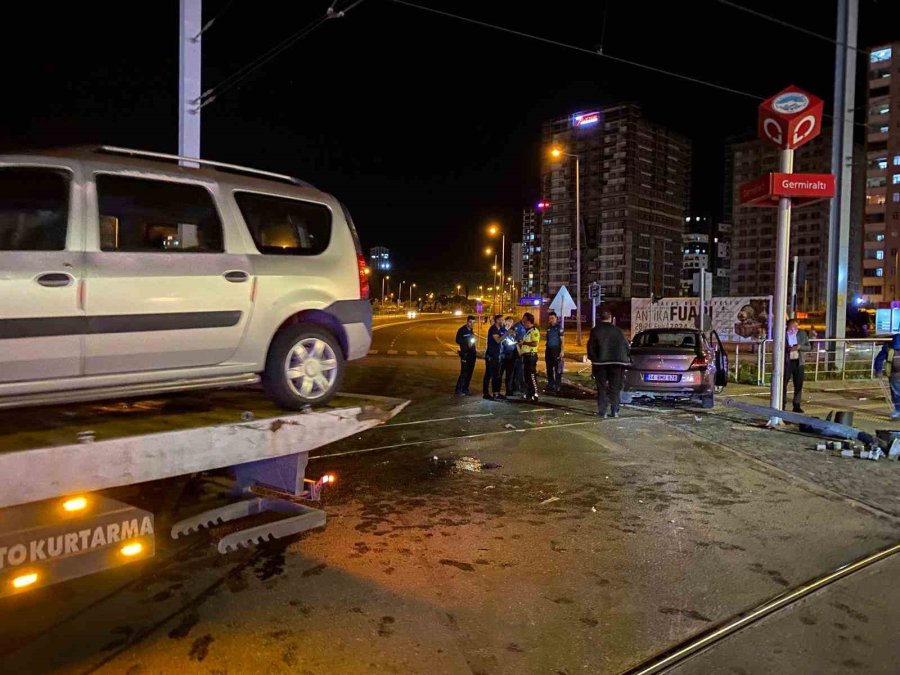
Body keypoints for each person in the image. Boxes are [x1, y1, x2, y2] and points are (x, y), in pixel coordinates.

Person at [587, 309, 630, 418]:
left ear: (600, 318)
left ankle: (603, 412)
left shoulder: (595, 331)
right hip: (616, 363)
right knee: (614, 388)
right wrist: (625, 358)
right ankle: (615, 410)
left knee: (601, 388)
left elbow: (591, 347)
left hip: (600, 364)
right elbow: (626, 346)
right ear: (611, 318)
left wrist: (593, 359)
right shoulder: (618, 331)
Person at [783, 318, 811, 413]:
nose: (795, 328)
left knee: (798, 384)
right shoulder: (783, 334)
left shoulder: (802, 334)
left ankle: (797, 405)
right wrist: (787, 349)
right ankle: (782, 403)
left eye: (796, 326)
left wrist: (800, 347)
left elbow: (808, 347)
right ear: (788, 326)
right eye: (793, 326)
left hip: (799, 362)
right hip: (787, 362)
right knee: (783, 384)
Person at [874, 333, 900, 419]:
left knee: (896, 393)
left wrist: (878, 371)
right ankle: (898, 410)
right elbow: (879, 360)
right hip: (894, 374)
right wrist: (878, 370)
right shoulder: (888, 348)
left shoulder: (888, 348)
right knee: (896, 393)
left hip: (894, 374)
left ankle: (898, 411)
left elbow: (879, 359)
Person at [517, 312, 540, 402]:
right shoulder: (527, 331)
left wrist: (524, 343)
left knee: (531, 375)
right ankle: (529, 394)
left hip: (531, 356)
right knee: (526, 376)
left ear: (528, 321)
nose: (522, 321)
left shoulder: (534, 331)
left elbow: (535, 343)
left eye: (524, 319)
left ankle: (535, 394)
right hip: (526, 356)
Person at [483, 314, 505, 400]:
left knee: (497, 375)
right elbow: (498, 340)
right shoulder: (493, 329)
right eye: (502, 320)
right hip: (491, 356)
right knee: (489, 375)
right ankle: (486, 393)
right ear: (497, 321)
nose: (503, 321)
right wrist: (507, 333)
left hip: (498, 356)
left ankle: (497, 393)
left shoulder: (501, 329)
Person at [455, 315, 477, 396]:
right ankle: (458, 389)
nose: (471, 324)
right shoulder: (462, 330)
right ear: (467, 321)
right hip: (465, 354)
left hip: (472, 354)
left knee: (470, 373)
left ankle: (465, 389)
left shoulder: (471, 330)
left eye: (473, 323)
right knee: (464, 372)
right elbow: (457, 340)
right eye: (470, 322)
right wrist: (465, 342)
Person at [544, 311, 564, 394]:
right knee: (549, 368)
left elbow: (562, 340)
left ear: (556, 318)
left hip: (556, 350)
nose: (551, 320)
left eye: (552, 318)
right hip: (548, 350)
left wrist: (562, 351)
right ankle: (550, 384)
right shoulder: (548, 328)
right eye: (550, 319)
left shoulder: (559, 328)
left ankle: (557, 385)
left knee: (557, 368)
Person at [500, 316, 518, 398]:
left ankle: (509, 390)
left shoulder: (513, 331)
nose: (510, 323)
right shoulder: (502, 331)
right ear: (505, 322)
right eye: (509, 321)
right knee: (499, 374)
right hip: (503, 355)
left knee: (510, 375)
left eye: (512, 322)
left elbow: (515, 341)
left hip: (511, 356)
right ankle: (497, 391)